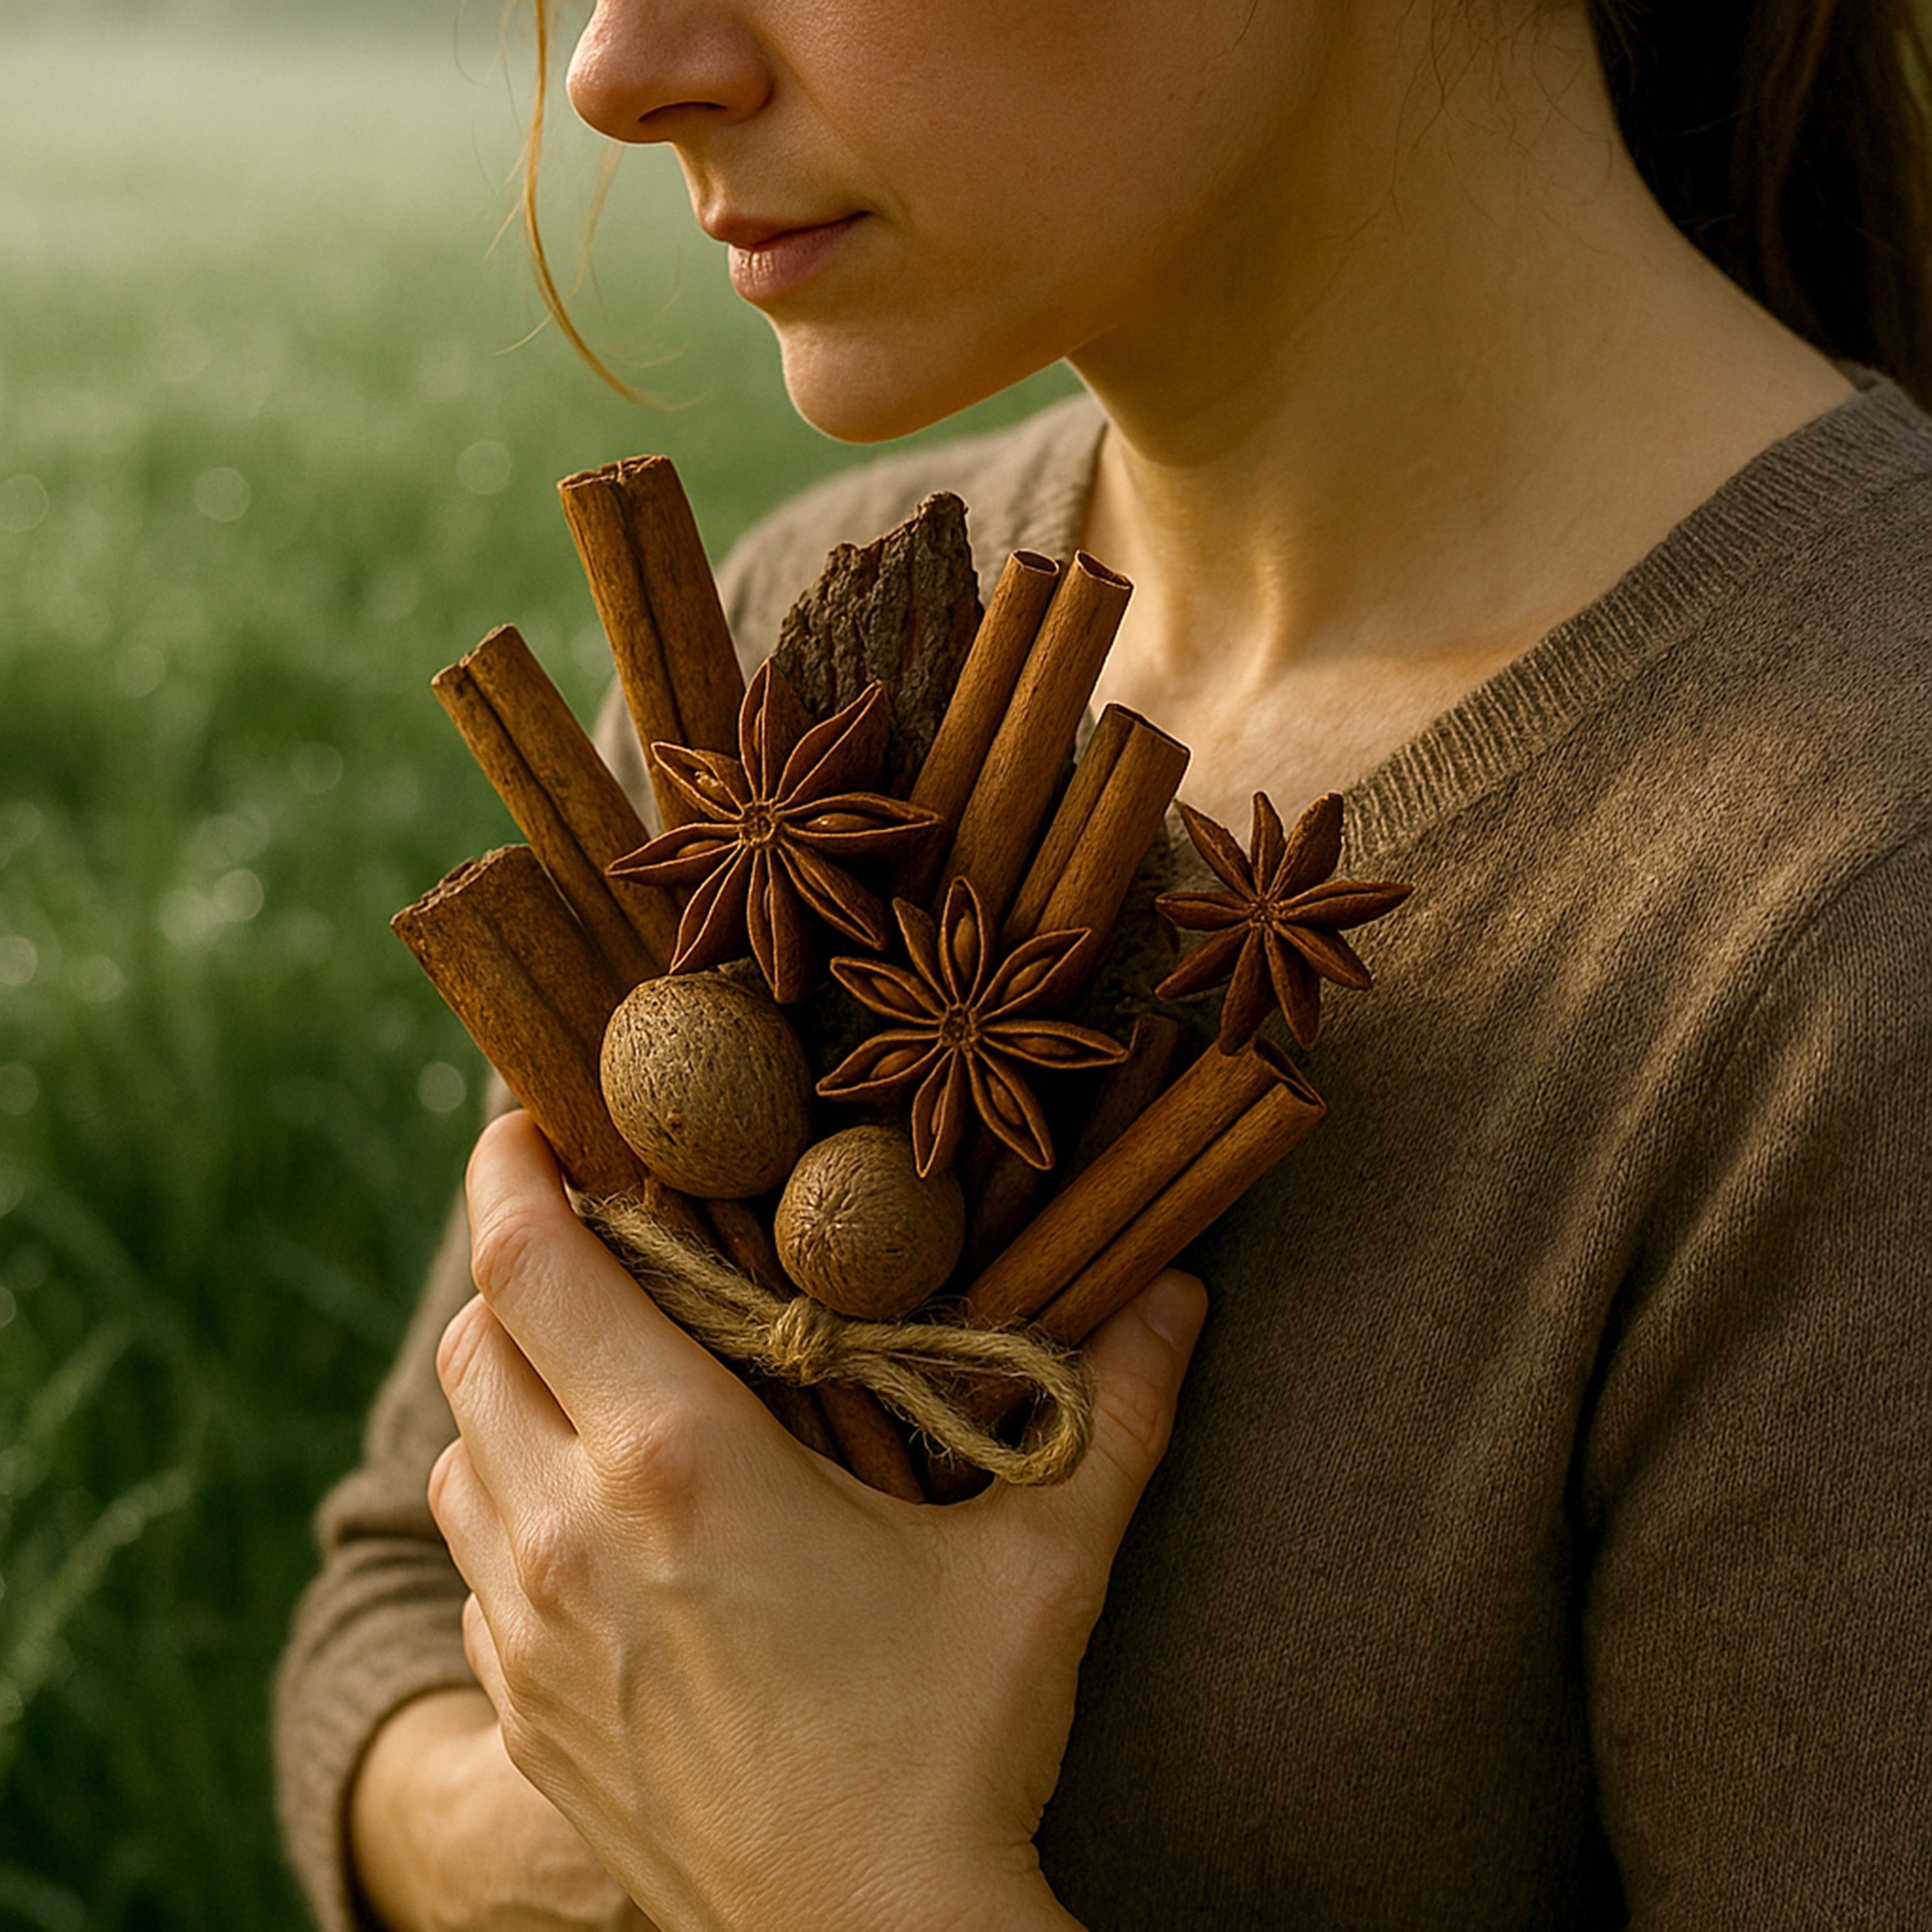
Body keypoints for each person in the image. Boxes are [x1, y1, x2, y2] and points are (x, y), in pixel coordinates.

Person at [274, 0, 1932, 1926]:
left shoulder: (1850, 927)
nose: (621, 69)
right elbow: (393, 1619)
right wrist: (612, 1791)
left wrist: (842, 1863)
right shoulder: (811, 656)